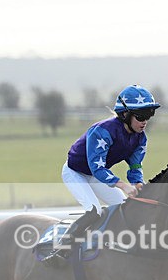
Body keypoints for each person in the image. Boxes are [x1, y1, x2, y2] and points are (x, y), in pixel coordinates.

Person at [43, 84, 161, 265]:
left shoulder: (141, 138)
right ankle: (60, 251)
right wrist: (122, 185)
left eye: (149, 115)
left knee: (122, 208)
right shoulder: (102, 131)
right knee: (94, 210)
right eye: (141, 116)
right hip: (76, 172)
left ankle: (116, 249)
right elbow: (97, 168)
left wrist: (138, 184)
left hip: (95, 175)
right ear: (125, 115)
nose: (145, 121)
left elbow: (135, 166)